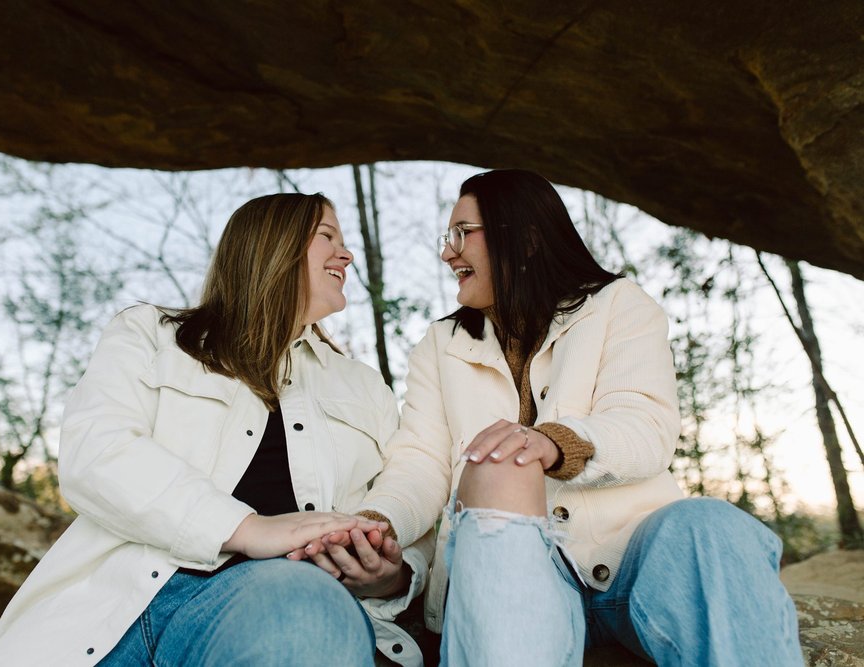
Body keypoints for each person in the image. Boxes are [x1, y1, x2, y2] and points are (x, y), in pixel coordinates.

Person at [339, 170, 801, 665]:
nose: (448, 252)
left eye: (461, 234)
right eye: (446, 237)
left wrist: (556, 442)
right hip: (515, 569)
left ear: (525, 239)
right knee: (498, 464)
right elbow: (420, 462)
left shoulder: (619, 305)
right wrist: (375, 524)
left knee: (712, 523)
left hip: (634, 561)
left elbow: (645, 424)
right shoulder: (439, 344)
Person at [0, 193, 431, 667]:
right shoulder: (149, 334)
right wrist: (246, 528)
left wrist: (394, 576)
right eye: (327, 237)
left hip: (290, 602)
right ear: (271, 244)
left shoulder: (364, 386)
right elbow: (97, 453)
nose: (347, 254)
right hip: (124, 607)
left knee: (303, 606)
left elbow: (401, 505)